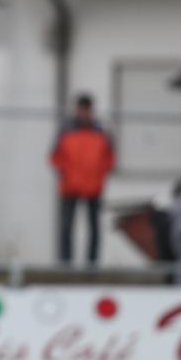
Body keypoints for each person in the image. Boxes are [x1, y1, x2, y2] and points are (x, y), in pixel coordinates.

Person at [50, 94, 115, 264]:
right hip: (70, 187)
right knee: (66, 227)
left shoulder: (101, 131)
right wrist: (66, 172)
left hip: (94, 187)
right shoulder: (66, 129)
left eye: (87, 110)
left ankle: (92, 264)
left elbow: (110, 158)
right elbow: (55, 157)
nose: (84, 113)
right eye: (81, 109)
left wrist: (99, 173)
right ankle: (66, 263)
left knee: (94, 228)